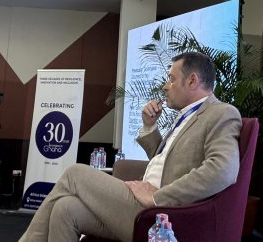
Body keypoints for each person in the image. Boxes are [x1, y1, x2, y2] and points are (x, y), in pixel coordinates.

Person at [19, 51, 242, 242]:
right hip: (142, 204)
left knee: (74, 173)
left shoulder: (221, 113)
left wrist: (158, 197)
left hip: (163, 214)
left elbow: (223, 170)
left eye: (171, 79)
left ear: (192, 81)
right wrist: (149, 126)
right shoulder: (184, 117)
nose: (165, 86)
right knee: (65, 208)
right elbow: (164, 160)